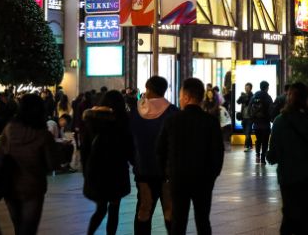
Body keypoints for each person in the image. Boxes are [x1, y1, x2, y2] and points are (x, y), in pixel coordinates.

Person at [157, 78, 225, 235]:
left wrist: (166, 174)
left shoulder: (172, 120)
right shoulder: (210, 122)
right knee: (203, 220)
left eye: (181, 95)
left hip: (178, 178)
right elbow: (218, 152)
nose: (180, 99)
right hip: (203, 179)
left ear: (187, 97)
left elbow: (160, 150)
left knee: (178, 220)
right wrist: (212, 175)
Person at [267, 82, 308, 234]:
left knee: (290, 212)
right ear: (306, 98)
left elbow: (272, 154)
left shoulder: (280, 121)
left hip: (288, 175)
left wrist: (273, 156)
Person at [0, 93, 58, 235]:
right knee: (29, 229)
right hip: (33, 187)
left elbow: (1, 153)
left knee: (17, 226)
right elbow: (52, 164)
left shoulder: (9, 129)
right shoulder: (44, 135)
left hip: (10, 185)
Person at [129, 76, 179, 235]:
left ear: (149, 89)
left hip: (143, 171)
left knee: (144, 210)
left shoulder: (135, 112)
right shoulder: (173, 112)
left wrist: (135, 162)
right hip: (167, 172)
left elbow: (129, 141)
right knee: (170, 211)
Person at [81, 90, 134, 235]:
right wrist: (136, 163)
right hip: (116, 171)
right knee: (114, 209)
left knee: (100, 208)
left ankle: (90, 233)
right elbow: (129, 148)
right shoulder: (122, 121)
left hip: (96, 171)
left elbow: (85, 149)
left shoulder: (92, 120)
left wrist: (86, 171)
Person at [251, 81, 275, 164]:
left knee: (258, 139)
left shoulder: (255, 95)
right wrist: (272, 119)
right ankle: (263, 158)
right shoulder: (268, 97)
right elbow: (271, 109)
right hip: (265, 124)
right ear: (267, 87)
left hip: (256, 124)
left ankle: (257, 154)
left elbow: (250, 107)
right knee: (265, 141)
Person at [237, 82, 255, 152]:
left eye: (248, 88)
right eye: (245, 88)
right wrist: (242, 97)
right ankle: (250, 145)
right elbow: (238, 102)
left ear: (251, 88)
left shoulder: (252, 96)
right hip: (244, 117)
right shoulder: (243, 96)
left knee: (248, 132)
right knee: (246, 133)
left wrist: (246, 97)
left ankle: (247, 146)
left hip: (250, 118)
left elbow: (250, 102)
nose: (246, 89)